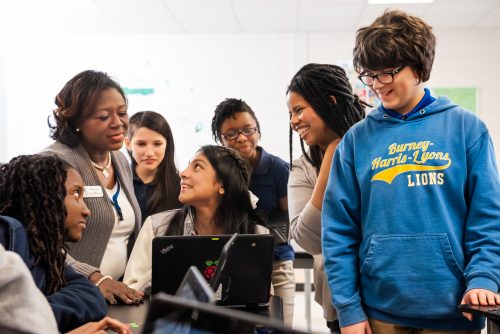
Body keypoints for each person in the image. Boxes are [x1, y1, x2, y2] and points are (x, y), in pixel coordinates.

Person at [322, 10, 500, 334]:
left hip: (457, 310)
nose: (377, 85)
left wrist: (484, 277)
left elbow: (487, 217)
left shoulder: (467, 129)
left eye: (386, 74)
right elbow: (338, 233)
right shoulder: (355, 141)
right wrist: (347, 309)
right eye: (369, 75)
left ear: (418, 68)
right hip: (380, 312)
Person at [44, 70, 144, 305]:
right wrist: (95, 278)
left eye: (122, 113)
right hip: (71, 296)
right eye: (103, 117)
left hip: (116, 295)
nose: (118, 123)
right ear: (76, 121)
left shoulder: (119, 160)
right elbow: (41, 243)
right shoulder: (53, 163)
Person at [286, 63, 366, 333]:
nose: (293, 121)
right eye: (291, 113)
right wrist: (333, 152)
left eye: (299, 110)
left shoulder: (373, 148)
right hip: (340, 308)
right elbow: (307, 237)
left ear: (329, 102)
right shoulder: (303, 168)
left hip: (387, 297)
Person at [123, 145, 268, 292]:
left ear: (222, 184)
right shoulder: (156, 226)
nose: (183, 173)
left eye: (197, 166)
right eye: (187, 166)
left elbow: (264, 294)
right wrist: (169, 265)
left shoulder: (256, 234)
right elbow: (130, 289)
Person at [211, 98, 295, 326]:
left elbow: (287, 216)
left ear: (258, 129)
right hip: (235, 261)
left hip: (277, 259)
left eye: (248, 130)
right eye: (231, 133)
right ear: (220, 138)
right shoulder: (219, 171)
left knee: (282, 325)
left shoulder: (278, 169)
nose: (241, 138)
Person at [0, 154, 107, 332]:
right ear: (43, 194)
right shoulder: (9, 233)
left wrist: (39, 312)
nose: (86, 210)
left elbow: (89, 294)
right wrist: (37, 316)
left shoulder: (44, 252)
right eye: (76, 194)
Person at [0, 245, 131, 334]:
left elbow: (88, 292)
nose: (87, 211)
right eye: (77, 201)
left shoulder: (45, 248)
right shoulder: (12, 233)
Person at [125, 111, 181, 224]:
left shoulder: (180, 186)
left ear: (167, 144)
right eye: (141, 144)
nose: (149, 153)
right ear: (128, 143)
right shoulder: (118, 182)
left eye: (157, 144)